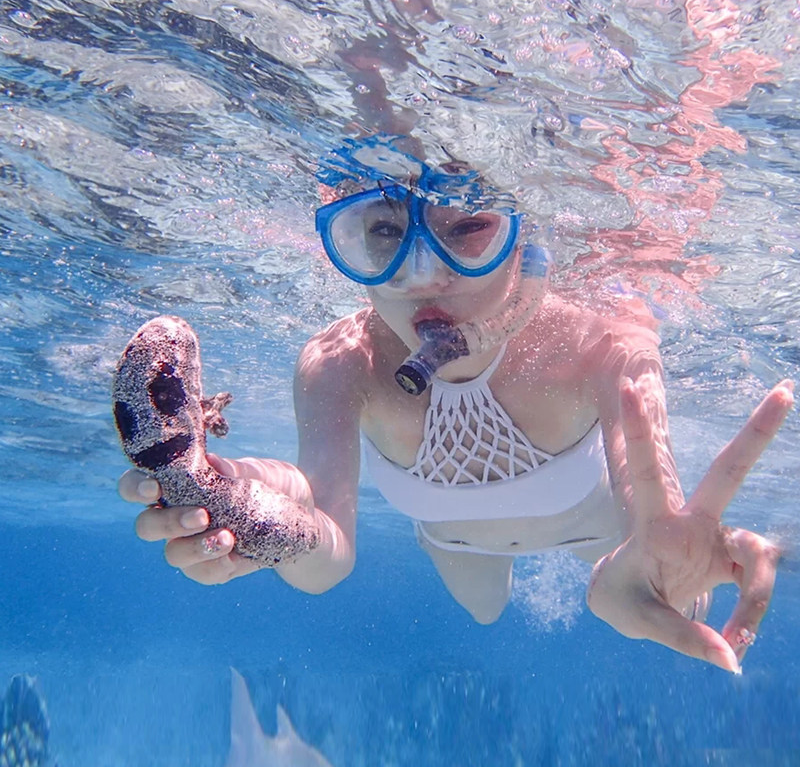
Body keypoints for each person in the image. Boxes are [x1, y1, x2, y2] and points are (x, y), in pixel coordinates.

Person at [118, 135, 793, 674]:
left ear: (526, 247)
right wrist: (252, 509)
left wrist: (654, 570)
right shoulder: (340, 364)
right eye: (382, 233)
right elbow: (326, 547)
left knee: (674, 587)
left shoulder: (603, 342)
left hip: (600, 533)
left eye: (468, 226)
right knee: (483, 613)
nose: (421, 274)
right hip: (457, 541)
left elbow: (657, 517)